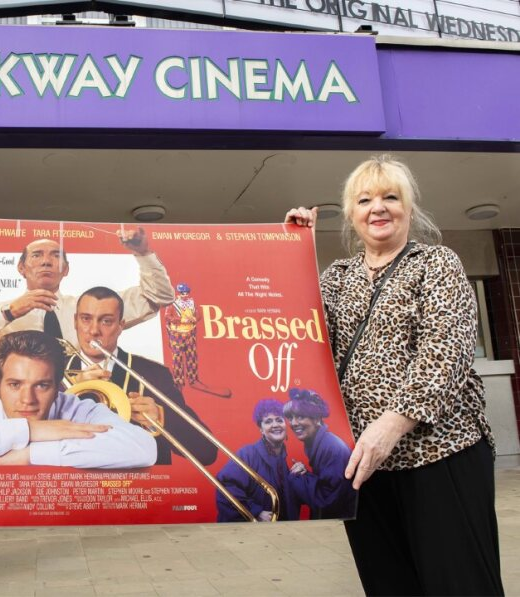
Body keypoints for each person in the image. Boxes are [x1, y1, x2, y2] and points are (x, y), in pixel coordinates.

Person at [286, 154, 503, 595]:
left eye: (390, 197)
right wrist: (292, 251)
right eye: (364, 199)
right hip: (365, 466)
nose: (378, 207)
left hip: (440, 455)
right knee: (389, 584)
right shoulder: (338, 277)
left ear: (409, 207)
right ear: (351, 213)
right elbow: (298, 335)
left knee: (460, 584)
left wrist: (392, 423)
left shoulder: (436, 263)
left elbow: (446, 351)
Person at [0, 330, 157, 473]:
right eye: (15, 385)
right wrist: (31, 429)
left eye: (42, 385)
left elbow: (144, 449)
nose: (27, 400)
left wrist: (30, 454)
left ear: (58, 387)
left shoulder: (79, 409)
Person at [66, 286, 217, 465]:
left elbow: (207, 452)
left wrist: (161, 417)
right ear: (75, 321)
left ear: (121, 326)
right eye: (85, 319)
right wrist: (67, 391)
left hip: (141, 486)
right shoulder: (52, 371)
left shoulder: (153, 374)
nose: (93, 331)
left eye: (106, 321)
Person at [0, 228, 175, 348]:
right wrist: (9, 314)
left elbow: (161, 297)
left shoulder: (92, 308)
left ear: (66, 269)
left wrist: (143, 254)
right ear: (21, 268)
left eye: (55, 256)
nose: (46, 261)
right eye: (36, 255)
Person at [215, 399, 299, 522]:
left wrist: (301, 475)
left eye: (279, 420)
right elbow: (225, 488)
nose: (275, 425)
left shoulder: (283, 460)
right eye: (268, 421)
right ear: (261, 429)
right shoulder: (247, 454)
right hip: (246, 535)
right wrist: (255, 512)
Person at [283, 388, 355, 519]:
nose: (293, 423)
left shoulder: (332, 448)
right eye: (290, 417)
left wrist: (298, 477)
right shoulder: (319, 443)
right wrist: (305, 474)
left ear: (316, 419)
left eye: (300, 416)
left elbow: (328, 500)